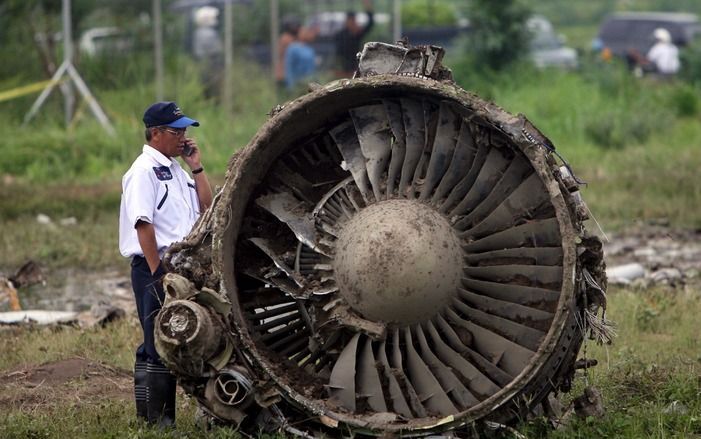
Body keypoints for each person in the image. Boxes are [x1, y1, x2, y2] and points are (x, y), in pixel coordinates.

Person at [119, 101, 213, 426]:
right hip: (154, 266)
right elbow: (143, 224)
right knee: (156, 340)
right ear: (155, 133)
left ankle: (157, 419)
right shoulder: (143, 172)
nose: (183, 136)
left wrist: (197, 167)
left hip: (181, 267)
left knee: (171, 336)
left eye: (184, 130)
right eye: (176, 131)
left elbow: (207, 207)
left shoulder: (177, 169)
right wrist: (158, 270)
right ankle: (157, 422)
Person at [334, 0, 374, 77]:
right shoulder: (340, 35)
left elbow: (370, 24)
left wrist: (368, 7)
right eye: (351, 21)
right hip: (343, 69)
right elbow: (338, 54)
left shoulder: (357, 34)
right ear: (347, 21)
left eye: (354, 21)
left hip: (355, 67)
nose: (353, 23)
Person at [284, 26, 318, 91]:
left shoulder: (310, 49)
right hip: (297, 83)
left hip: (309, 83)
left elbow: (312, 68)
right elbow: (289, 67)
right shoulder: (293, 48)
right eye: (304, 32)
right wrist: (290, 85)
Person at [276, 15, 302, 89]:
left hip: (288, 75)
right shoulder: (286, 38)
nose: (297, 28)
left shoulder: (290, 38)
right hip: (284, 75)